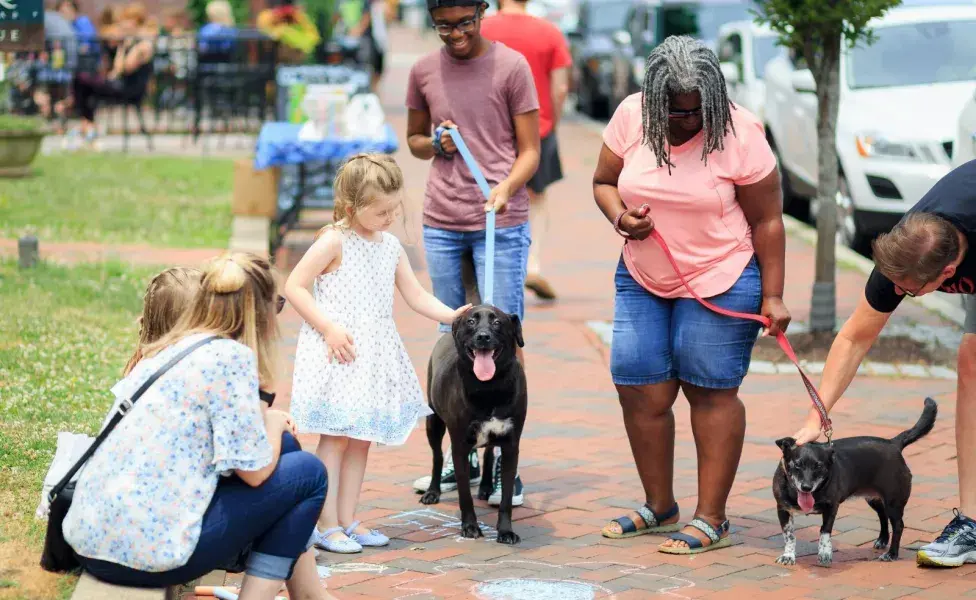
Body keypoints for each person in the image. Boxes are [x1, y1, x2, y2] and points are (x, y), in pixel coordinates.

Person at [592, 36, 789, 553]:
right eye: (675, 111)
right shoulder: (632, 116)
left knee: (709, 389)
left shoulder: (739, 131)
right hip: (643, 275)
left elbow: (768, 219)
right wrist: (619, 216)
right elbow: (603, 182)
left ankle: (712, 517)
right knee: (640, 387)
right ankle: (660, 505)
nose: (687, 120)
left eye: (698, 109)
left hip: (723, 276)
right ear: (655, 98)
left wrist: (774, 295)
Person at [63, 254, 335, 599]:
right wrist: (271, 419)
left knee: (290, 454)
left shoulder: (170, 348)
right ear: (260, 310)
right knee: (309, 472)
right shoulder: (230, 359)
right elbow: (252, 473)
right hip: (147, 556)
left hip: (92, 541)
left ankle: (309, 594)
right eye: (277, 304)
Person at [791, 159, 976, 567]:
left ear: (947, 273)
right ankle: (972, 523)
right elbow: (856, 337)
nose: (897, 292)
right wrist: (816, 415)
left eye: (908, 292)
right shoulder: (908, 247)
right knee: (972, 362)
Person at [285, 154, 470, 554]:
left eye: (393, 209)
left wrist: (451, 316)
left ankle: (348, 518)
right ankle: (326, 523)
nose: (389, 218)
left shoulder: (390, 248)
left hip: (373, 356)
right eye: (380, 211)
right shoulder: (333, 241)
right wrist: (329, 327)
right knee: (334, 438)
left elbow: (416, 294)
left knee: (361, 439)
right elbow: (294, 286)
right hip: (339, 351)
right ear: (351, 207)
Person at [404, 0, 541, 508]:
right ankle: (459, 449)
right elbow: (414, 140)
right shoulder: (423, 70)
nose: (455, 34)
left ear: (482, 13)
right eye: (444, 26)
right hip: (443, 219)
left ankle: (504, 458)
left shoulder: (511, 67)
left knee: (504, 330)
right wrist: (433, 144)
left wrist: (505, 187)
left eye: (464, 22)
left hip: (498, 221)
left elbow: (530, 151)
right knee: (453, 330)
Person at [481, 0, 571, 301]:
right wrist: (551, 121)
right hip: (537, 128)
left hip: (489, 129)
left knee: (489, 194)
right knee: (537, 198)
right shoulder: (550, 32)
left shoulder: (482, 27)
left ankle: (488, 267)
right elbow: (560, 88)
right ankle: (531, 265)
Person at [69, 2, 154, 150]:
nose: (123, 25)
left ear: (135, 22)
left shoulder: (143, 45)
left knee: (82, 80)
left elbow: (125, 67)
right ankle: (88, 126)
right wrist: (122, 47)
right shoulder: (130, 42)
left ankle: (88, 127)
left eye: (126, 20)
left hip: (130, 89)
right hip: (119, 84)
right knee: (82, 84)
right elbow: (116, 70)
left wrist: (124, 47)